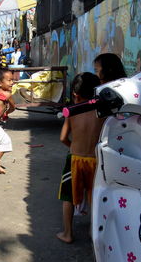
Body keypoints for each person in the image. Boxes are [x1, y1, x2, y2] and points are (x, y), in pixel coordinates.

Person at [56, 72, 104, 244]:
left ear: (75, 95)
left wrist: (73, 147)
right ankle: (94, 232)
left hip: (74, 159)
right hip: (96, 160)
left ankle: (67, 233)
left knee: (68, 196)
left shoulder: (72, 112)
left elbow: (63, 138)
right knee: (94, 196)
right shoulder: (101, 112)